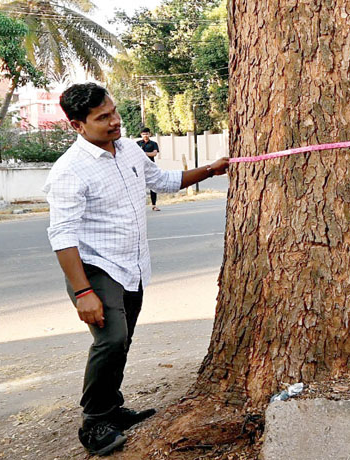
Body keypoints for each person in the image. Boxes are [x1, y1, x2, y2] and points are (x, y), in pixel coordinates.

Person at [43, 83, 229, 455]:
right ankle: (94, 424)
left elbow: (161, 181)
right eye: (103, 118)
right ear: (78, 126)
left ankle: (112, 409)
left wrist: (211, 169)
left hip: (132, 264)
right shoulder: (69, 171)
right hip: (94, 269)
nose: (115, 122)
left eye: (114, 112)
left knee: (122, 340)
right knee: (110, 340)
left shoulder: (128, 149)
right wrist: (83, 293)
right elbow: (62, 236)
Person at [136, 128, 161, 211]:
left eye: (147, 134)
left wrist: (143, 154)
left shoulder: (153, 144)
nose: (145, 135)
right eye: (143, 134)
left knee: (153, 187)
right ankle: (140, 207)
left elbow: (154, 153)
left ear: (150, 134)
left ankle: (154, 205)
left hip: (150, 167)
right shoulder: (138, 144)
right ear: (141, 135)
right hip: (140, 167)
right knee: (139, 187)